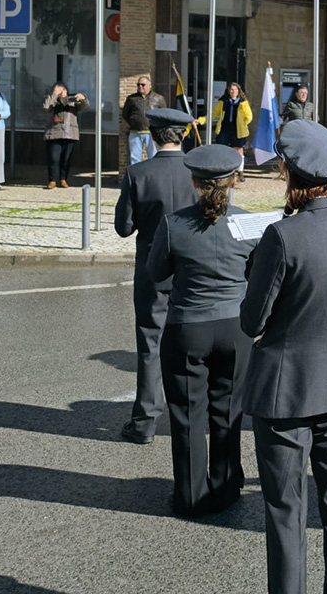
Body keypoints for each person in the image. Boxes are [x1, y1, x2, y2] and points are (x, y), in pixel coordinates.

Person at [241, 119, 327, 594]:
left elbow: (252, 322)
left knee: (286, 511)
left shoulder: (282, 237)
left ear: (291, 177)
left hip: (285, 392)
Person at [147, 144, 257, 516]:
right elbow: (258, 275)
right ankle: (226, 489)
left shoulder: (173, 223)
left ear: (193, 181)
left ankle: (191, 496)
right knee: (229, 413)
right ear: (234, 181)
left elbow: (156, 275)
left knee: (188, 416)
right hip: (235, 327)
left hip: (187, 327)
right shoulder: (249, 223)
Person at [114, 108, 199, 445]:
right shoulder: (198, 170)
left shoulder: (138, 172)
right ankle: (190, 421)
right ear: (183, 135)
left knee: (150, 344)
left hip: (153, 270)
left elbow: (123, 228)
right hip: (193, 271)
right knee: (192, 347)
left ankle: (145, 422)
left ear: (153, 135)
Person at [42, 82, 89, 189]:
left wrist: (83, 98)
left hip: (69, 133)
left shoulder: (71, 101)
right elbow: (46, 107)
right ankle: (52, 180)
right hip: (53, 133)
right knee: (53, 158)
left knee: (66, 158)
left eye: (63, 90)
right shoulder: (51, 100)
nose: (61, 92)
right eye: (58, 90)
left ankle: (63, 179)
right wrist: (54, 95)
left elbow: (84, 106)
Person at [209, 82, 252, 177]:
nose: (233, 91)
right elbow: (214, 114)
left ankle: (240, 171)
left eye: (235, 89)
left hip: (238, 130)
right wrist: (202, 120)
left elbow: (249, 117)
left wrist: (243, 123)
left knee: (238, 149)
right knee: (222, 149)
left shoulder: (243, 102)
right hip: (225, 129)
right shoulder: (223, 101)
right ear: (228, 91)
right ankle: (223, 169)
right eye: (232, 89)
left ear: (239, 91)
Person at [121, 75, 166, 165]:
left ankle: (153, 177)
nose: (140, 87)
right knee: (134, 158)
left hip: (152, 133)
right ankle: (136, 178)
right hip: (135, 132)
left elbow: (163, 114)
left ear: (150, 86)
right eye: (138, 85)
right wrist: (134, 123)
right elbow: (125, 114)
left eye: (143, 85)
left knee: (153, 157)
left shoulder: (158, 98)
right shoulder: (131, 99)